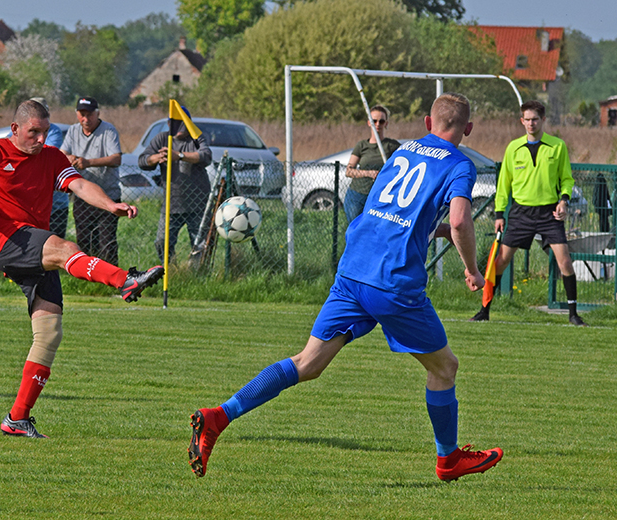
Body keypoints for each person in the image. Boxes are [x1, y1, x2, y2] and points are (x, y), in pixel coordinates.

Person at [188, 93, 503, 481]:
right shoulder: (460, 164)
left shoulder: (402, 153)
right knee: (445, 368)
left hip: (353, 270)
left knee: (308, 364)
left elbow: (391, 216)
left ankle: (218, 417)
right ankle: (448, 459)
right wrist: (471, 269)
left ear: (427, 123)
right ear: (467, 129)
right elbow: (459, 222)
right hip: (392, 281)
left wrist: (431, 232)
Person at [0, 100, 163, 438]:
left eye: (44, 132)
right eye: (33, 132)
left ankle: (17, 419)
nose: (40, 139)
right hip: (5, 240)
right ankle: (125, 280)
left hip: (35, 246)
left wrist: (110, 204)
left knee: (49, 333)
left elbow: (80, 185)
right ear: (15, 129)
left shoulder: (53, 157)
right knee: (66, 248)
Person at [470, 100, 587, 326]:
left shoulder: (558, 146)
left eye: (535, 119)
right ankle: (484, 310)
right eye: (527, 119)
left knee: (565, 262)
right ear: (521, 121)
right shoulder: (513, 148)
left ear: (543, 120)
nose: (531, 123)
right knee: (501, 261)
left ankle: (573, 314)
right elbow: (503, 185)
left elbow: (566, 179)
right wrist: (499, 214)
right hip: (520, 214)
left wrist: (564, 200)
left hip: (549, 214)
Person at [137, 106, 212, 264]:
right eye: (173, 122)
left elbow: (206, 156)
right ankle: (172, 270)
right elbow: (142, 160)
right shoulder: (162, 139)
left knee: (199, 244)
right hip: (171, 204)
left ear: (189, 123)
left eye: (181, 123)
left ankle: (196, 274)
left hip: (198, 204)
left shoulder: (196, 139)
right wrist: (157, 158)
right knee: (161, 243)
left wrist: (180, 156)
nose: (177, 126)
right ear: (168, 123)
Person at [60, 97, 122, 264]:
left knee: (106, 243)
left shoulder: (108, 131)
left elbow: (116, 158)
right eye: (82, 114)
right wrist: (70, 158)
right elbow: (61, 155)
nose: (85, 119)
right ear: (77, 114)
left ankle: (111, 279)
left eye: (89, 115)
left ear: (98, 113)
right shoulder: (73, 131)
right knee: (85, 242)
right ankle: (87, 277)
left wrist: (88, 162)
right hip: (82, 197)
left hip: (107, 196)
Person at [6, 97, 68, 238]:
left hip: (55, 206)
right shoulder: (14, 133)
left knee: (54, 250)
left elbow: (43, 152)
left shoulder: (54, 132)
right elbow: (12, 147)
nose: (41, 138)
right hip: (27, 208)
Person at [344, 105, 401, 222]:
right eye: (374, 121)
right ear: (369, 123)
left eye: (381, 121)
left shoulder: (392, 146)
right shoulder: (362, 146)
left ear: (386, 123)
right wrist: (368, 173)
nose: (378, 124)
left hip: (380, 197)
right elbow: (349, 171)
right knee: (356, 229)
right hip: (357, 195)